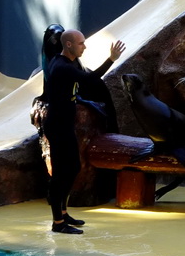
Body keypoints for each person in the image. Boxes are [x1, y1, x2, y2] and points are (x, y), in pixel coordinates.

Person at [43, 29, 125, 235]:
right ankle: (57, 223)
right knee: (62, 172)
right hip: (58, 126)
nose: (84, 47)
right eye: (81, 43)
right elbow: (92, 80)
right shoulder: (63, 67)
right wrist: (111, 59)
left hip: (63, 124)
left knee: (72, 168)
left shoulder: (65, 62)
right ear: (68, 45)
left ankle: (63, 212)